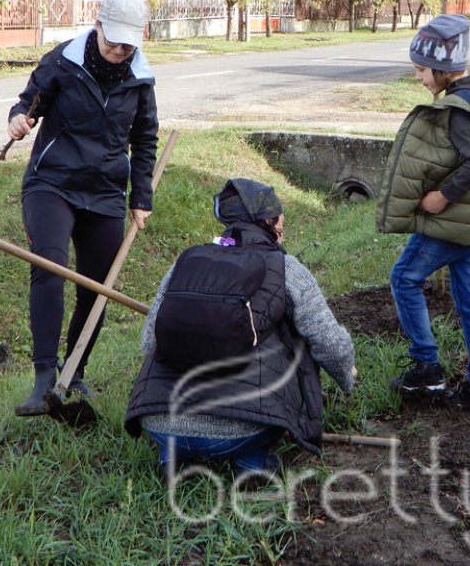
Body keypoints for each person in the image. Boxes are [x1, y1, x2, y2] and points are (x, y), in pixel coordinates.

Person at [124, 178, 355, 481]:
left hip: (159, 420)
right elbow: (328, 342)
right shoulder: (287, 268)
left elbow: (149, 342)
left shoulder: (186, 262)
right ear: (271, 223)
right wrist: (347, 376)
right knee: (292, 334)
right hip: (243, 427)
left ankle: (173, 456)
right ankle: (251, 463)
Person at [8, 0, 159, 416]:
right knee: (49, 267)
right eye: (113, 41)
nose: (119, 51)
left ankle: (74, 372)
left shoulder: (141, 78)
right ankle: (42, 380)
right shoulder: (63, 61)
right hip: (51, 182)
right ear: (98, 26)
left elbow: (145, 139)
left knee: (97, 288)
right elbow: (27, 102)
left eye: (128, 44)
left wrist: (140, 198)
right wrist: (18, 119)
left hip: (105, 191)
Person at [376, 14, 470, 411]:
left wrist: (441, 197)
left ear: (441, 69)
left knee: (404, 278)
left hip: (450, 223)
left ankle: (427, 368)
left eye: (420, 70)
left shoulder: (458, 109)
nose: (418, 78)